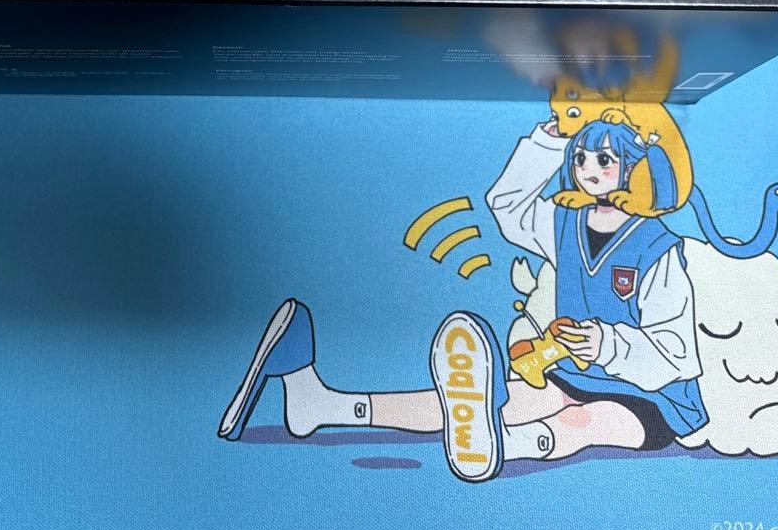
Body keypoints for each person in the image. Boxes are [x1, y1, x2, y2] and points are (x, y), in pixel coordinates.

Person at [218, 117, 707, 483]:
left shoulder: (657, 248)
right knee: (481, 405)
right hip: (572, 374)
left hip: (653, 399)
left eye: (604, 160)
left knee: (585, 422)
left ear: (635, 169)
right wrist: (548, 139)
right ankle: (324, 406)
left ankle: (503, 445)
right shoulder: (563, 224)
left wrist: (606, 344)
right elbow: (507, 204)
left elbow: (677, 354)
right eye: (580, 157)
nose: (587, 169)